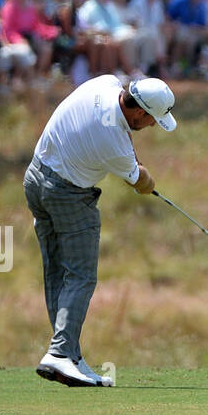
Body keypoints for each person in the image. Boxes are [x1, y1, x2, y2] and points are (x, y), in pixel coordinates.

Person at [25, 75, 178, 387]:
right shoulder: (115, 144)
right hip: (67, 195)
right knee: (81, 276)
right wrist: (148, 182)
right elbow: (140, 181)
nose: (151, 127)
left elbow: (124, 144)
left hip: (35, 179)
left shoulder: (105, 83)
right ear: (139, 113)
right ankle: (60, 353)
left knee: (58, 273)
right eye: (152, 121)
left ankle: (69, 358)